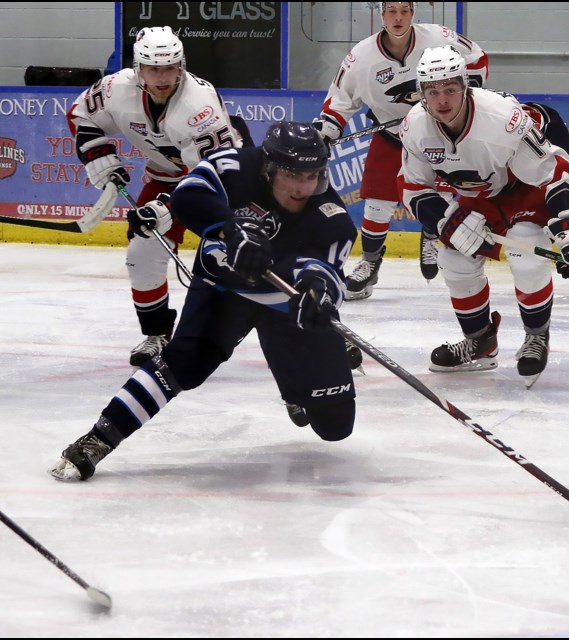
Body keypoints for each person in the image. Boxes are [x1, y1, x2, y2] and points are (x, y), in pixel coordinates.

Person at [48, 121, 359, 482]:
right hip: (223, 291)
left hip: (282, 304)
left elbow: (325, 272)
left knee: (336, 427)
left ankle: (293, 383)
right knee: (185, 363)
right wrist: (230, 228)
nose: (304, 187)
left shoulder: (330, 216)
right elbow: (188, 195)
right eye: (293, 175)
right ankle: (98, 439)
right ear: (269, 168)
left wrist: (318, 295)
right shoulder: (235, 165)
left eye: (312, 176)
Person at [397, 45, 569, 388]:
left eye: (451, 89)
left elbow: (552, 169)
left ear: (466, 86)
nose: (443, 100)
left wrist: (568, 224)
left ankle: (536, 336)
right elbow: (413, 188)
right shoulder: (414, 127)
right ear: (423, 93)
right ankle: (480, 342)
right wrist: (447, 220)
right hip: (478, 196)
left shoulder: (502, 118)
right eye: (433, 91)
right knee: (453, 258)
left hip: (522, 187)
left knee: (526, 253)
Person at [68, 25, 246, 366]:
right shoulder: (114, 89)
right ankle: (157, 332)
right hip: (166, 176)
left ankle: (304, 327)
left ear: (181, 66)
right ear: (139, 69)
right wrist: (98, 154)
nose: (162, 77)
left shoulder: (199, 106)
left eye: (170, 68)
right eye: (153, 68)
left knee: (242, 258)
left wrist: (167, 207)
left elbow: (217, 176)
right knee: (142, 249)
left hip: (225, 181)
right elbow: (81, 114)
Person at [315, 1, 489, 300]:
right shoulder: (362, 56)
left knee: (442, 194)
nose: (398, 18)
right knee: (377, 204)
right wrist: (328, 130)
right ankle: (370, 264)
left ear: (413, 13)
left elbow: (477, 59)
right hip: (390, 134)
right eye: (391, 11)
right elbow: (340, 98)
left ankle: (432, 236)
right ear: (381, 14)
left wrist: (461, 97)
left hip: (436, 133)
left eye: (404, 11)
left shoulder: (439, 38)